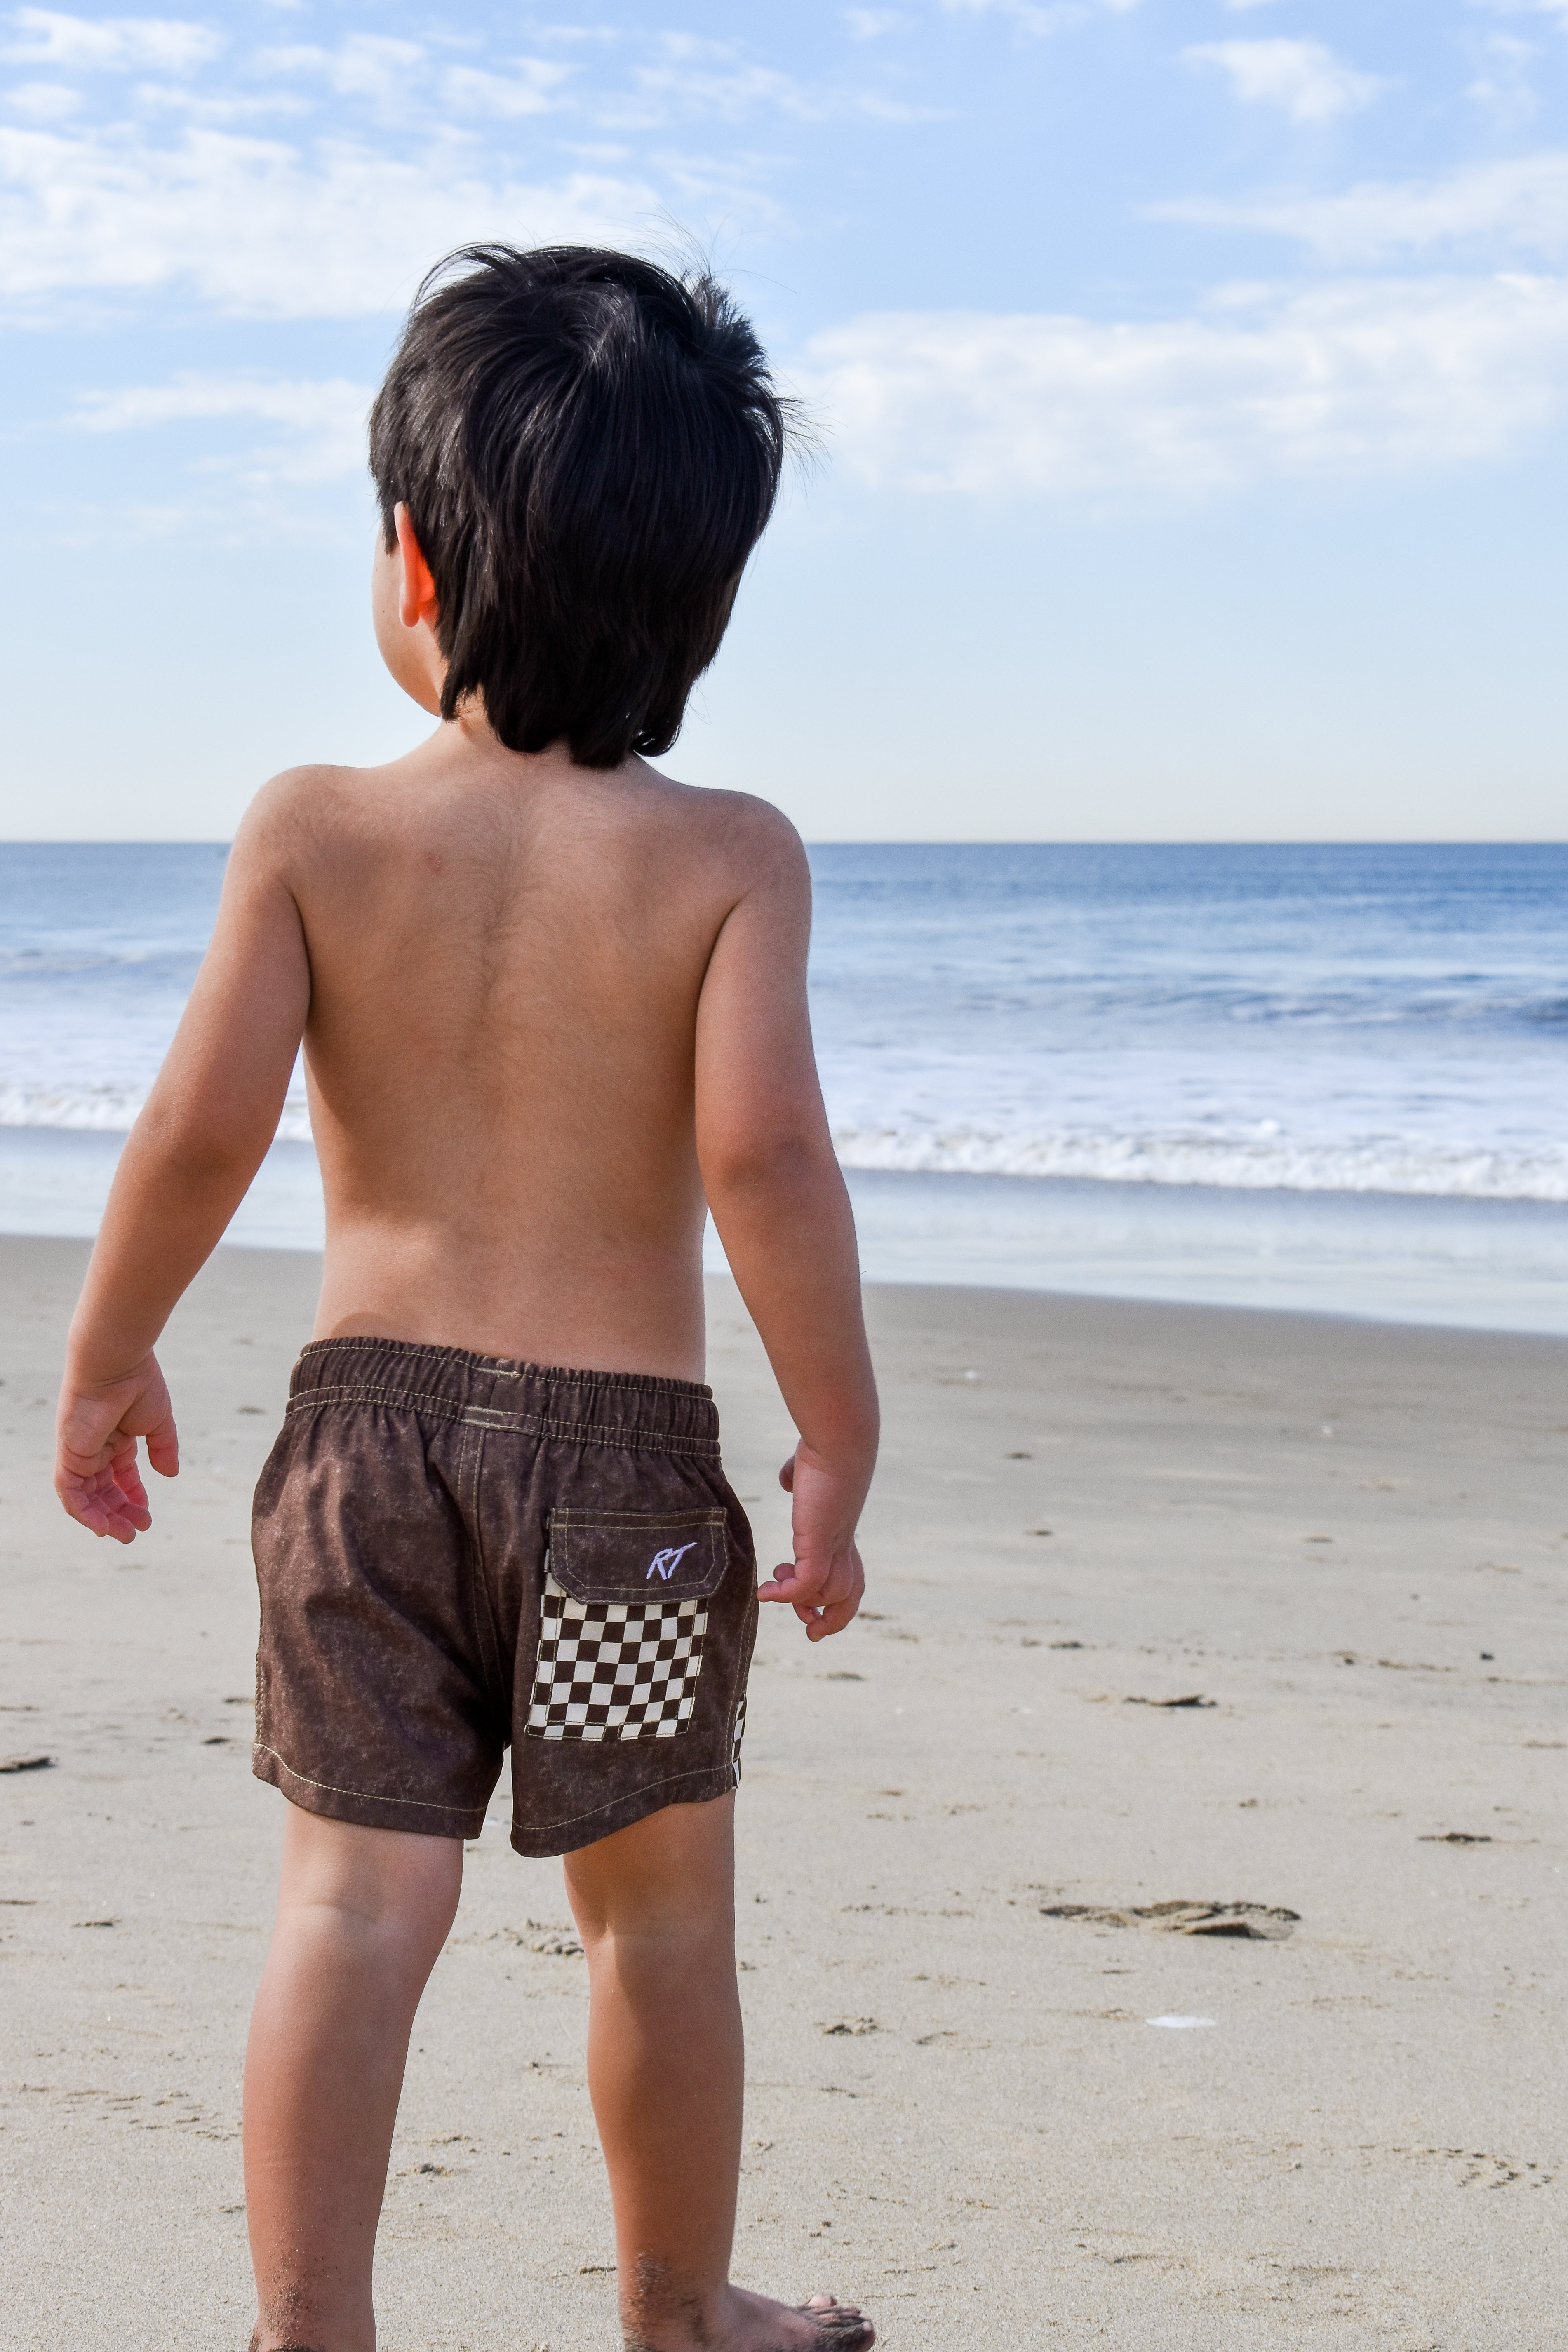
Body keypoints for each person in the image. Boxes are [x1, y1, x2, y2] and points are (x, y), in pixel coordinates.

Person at [52, 244, 880, 2352]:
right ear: (703, 604)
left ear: (410, 558)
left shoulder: (315, 829)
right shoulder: (730, 857)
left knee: (348, 1901)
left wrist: (109, 1343)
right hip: (627, 1492)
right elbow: (768, 1159)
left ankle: (311, 2323)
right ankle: (681, 2313)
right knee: (660, 1924)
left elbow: (196, 1134)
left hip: (366, 1451)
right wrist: (837, 1433)